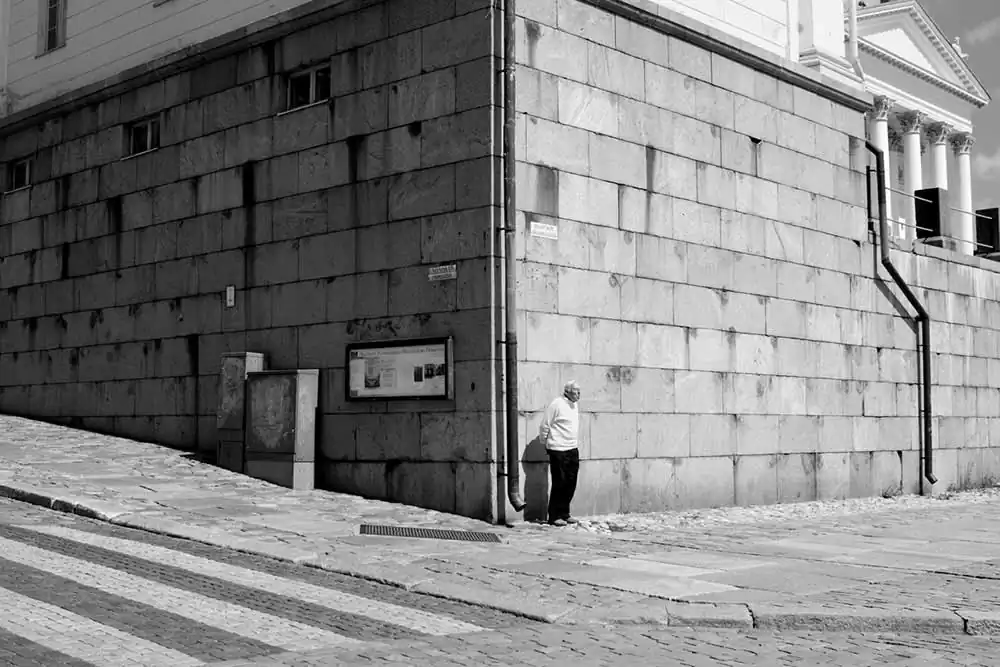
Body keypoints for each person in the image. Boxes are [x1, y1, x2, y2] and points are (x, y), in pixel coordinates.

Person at [538, 380, 581, 526]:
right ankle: (554, 516)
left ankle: (564, 513)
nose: (579, 394)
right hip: (558, 448)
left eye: (579, 391)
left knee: (571, 482)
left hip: (572, 448)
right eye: (576, 391)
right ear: (567, 392)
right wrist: (546, 443)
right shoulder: (556, 404)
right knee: (559, 482)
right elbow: (545, 425)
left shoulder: (574, 405)